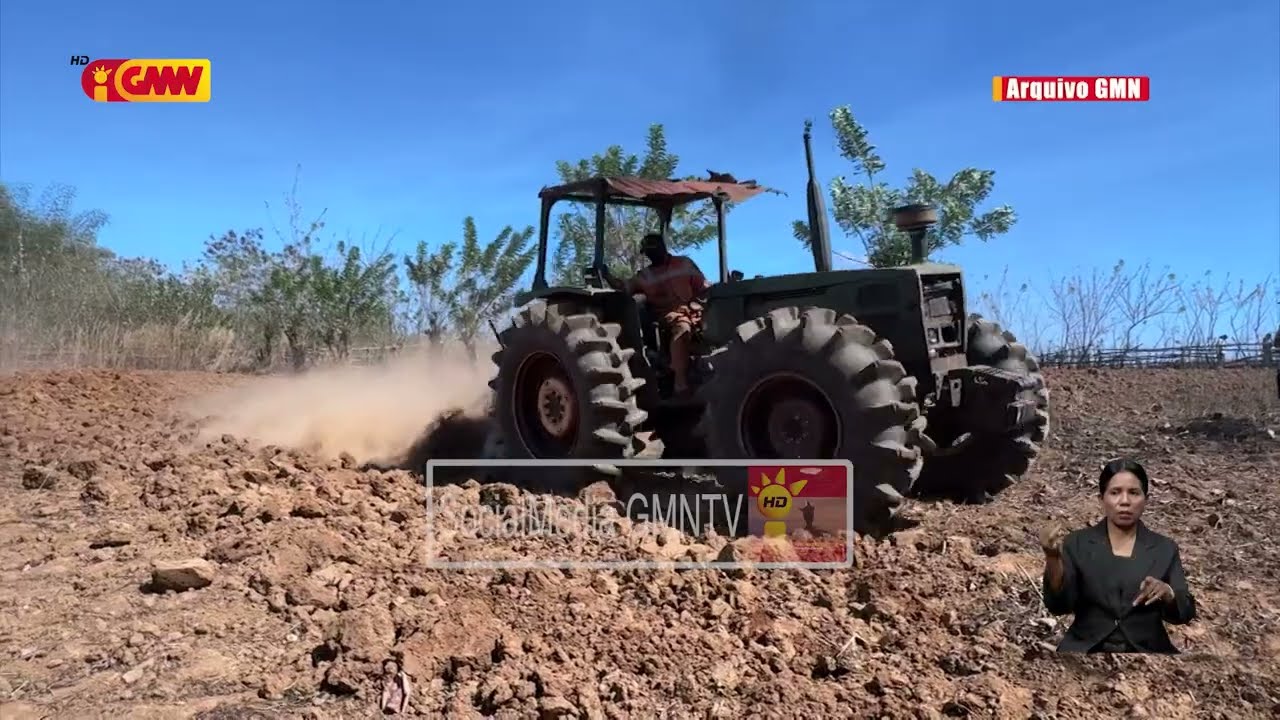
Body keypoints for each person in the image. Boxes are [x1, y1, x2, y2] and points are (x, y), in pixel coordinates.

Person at [1040, 458, 1196, 653]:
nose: (1125, 501)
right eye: (1115, 492)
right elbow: (1059, 606)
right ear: (1101, 499)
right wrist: (1053, 559)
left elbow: (1185, 612)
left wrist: (1168, 593)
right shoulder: (1077, 543)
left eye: (1134, 493)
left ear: (1145, 500)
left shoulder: (1164, 548)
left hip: (1148, 652)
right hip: (1086, 650)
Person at [604, 233, 711, 395]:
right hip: (667, 315)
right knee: (682, 327)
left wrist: (699, 304)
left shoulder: (684, 264)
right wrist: (607, 276)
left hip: (694, 310)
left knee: (717, 323)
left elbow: (703, 288)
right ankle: (680, 384)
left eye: (653, 251)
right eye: (647, 252)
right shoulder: (644, 276)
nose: (650, 255)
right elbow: (624, 288)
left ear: (663, 248)